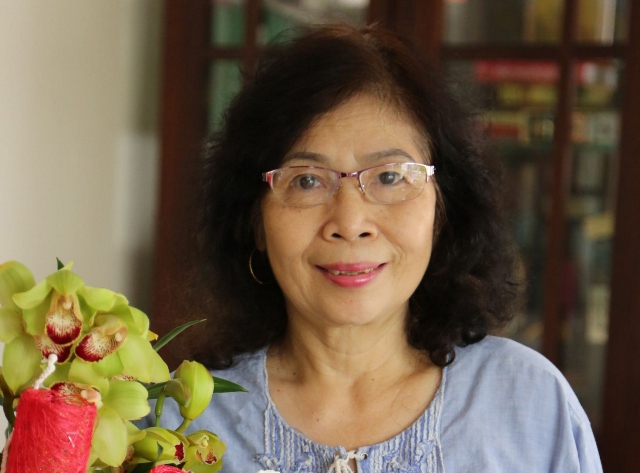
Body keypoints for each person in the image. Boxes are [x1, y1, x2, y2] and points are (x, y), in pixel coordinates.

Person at [165, 23, 603, 472]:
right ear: (254, 220)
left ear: (443, 210)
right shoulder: (181, 422)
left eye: (390, 177)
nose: (350, 223)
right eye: (307, 180)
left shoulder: (529, 405)